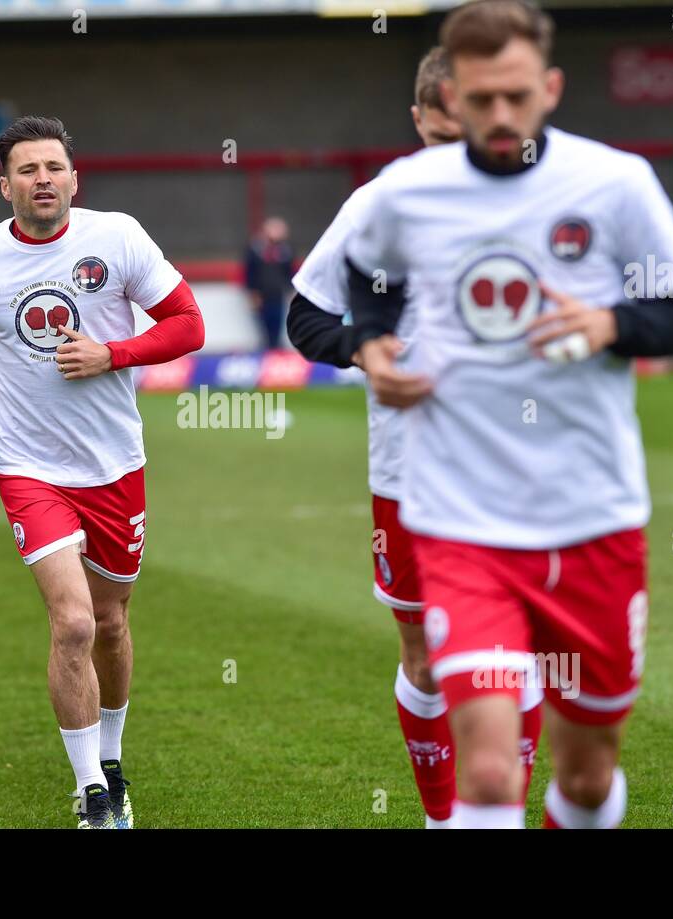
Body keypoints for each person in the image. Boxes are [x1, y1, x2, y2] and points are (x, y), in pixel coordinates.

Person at [346, 0, 673, 829]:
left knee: (584, 778)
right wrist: (372, 348)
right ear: (453, 99)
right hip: (462, 520)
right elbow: (359, 278)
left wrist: (610, 322)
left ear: (549, 88)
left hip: (593, 517)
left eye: (515, 96)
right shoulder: (409, 191)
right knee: (486, 765)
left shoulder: (614, 183)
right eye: (480, 101)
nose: (499, 117)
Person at [0, 115, 205, 828]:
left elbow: (188, 323)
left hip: (114, 464)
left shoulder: (118, 237)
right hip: (26, 463)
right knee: (70, 622)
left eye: (55, 167)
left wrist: (114, 353)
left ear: (75, 177)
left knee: (109, 621)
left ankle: (113, 756)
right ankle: (94, 793)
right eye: (30, 170)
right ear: (5, 184)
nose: (44, 179)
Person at [287, 46, 543, 829]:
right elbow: (306, 315)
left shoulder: (555, 197)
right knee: (428, 654)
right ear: (417, 121)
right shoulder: (380, 203)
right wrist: (366, 349)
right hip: (411, 469)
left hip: (522, 463)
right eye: (438, 139)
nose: (453, 160)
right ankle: (441, 819)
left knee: (516, 653)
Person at [244, 217, 295, 350]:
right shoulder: (256, 249)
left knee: (277, 324)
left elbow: (289, 272)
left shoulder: (285, 251)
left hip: (278, 293)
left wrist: (290, 290)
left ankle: (275, 350)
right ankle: (267, 350)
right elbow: (250, 273)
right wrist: (253, 293)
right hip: (262, 294)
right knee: (264, 326)